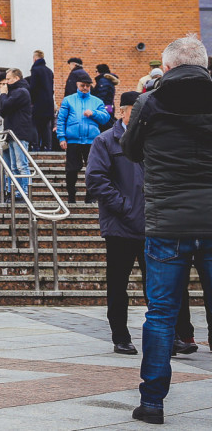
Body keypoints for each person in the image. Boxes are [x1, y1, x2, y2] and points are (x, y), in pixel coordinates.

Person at [121, 36, 212, 425]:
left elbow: (130, 149)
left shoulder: (150, 101)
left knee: (160, 314)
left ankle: (153, 403)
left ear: (169, 66)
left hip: (167, 222)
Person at [86, 91, 147, 355]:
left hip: (150, 225)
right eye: (134, 111)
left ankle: (168, 336)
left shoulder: (151, 139)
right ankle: (120, 336)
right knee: (118, 285)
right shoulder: (105, 141)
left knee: (156, 286)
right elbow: (96, 179)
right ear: (121, 112)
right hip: (120, 225)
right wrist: (124, 206)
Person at [56, 74, 109, 203]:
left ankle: (90, 197)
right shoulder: (68, 100)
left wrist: (94, 113)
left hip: (91, 141)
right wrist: (62, 137)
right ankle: (71, 196)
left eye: (87, 85)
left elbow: (106, 118)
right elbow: (61, 120)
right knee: (71, 170)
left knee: (92, 170)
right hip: (73, 140)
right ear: (77, 85)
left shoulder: (97, 101)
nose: (85, 88)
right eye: (82, 85)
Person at [0, 68, 37, 197]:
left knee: (21, 164)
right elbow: (3, 111)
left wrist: (3, 94)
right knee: (14, 166)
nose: (6, 82)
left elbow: (4, 108)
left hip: (19, 132)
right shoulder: (15, 92)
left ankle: (24, 191)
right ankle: (19, 191)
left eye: (8, 79)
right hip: (13, 132)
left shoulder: (21, 92)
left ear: (16, 78)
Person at [28, 50, 55, 150]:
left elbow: (33, 87)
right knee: (46, 126)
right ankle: (47, 146)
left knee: (34, 124)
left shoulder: (35, 70)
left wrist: (32, 101)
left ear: (34, 58)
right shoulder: (49, 71)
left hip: (38, 103)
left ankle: (36, 146)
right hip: (49, 103)